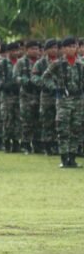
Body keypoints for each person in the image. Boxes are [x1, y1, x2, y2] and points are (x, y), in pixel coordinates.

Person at [42, 36, 82, 168]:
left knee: (76, 129)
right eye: (69, 46)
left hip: (78, 100)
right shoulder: (57, 64)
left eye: (74, 46)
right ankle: (64, 158)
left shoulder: (81, 64)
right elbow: (45, 77)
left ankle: (73, 157)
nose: (73, 49)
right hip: (64, 100)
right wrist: (55, 88)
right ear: (64, 49)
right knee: (63, 129)